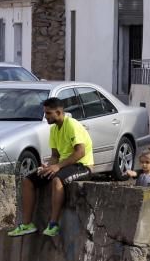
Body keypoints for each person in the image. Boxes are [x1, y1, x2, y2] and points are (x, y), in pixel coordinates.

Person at [8, 97, 94, 238]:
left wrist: (57, 167)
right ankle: (27, 224)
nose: (45, 117)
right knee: (28, 180)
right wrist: (48, 166)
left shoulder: (72, 125)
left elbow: (80, 152)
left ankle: (53, 224)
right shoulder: (54, 129)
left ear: (59, 112)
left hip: (83, 166)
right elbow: (55, 155)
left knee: (57, 180)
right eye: (45, 113)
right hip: (65, 165)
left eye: (48, 113)